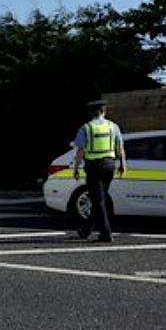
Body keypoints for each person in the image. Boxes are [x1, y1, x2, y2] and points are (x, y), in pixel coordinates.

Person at [72, 100, 127, 242]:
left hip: (93, 167)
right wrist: (122, 164)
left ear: (90, 113)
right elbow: (119, 147)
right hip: (109, 165)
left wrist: (76, 167)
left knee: (98, 200)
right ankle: (85, 230)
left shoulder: (86, 128)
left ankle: (106, 233)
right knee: (99, 198)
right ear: (104, 112)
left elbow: (80, 151)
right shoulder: (113, 126)